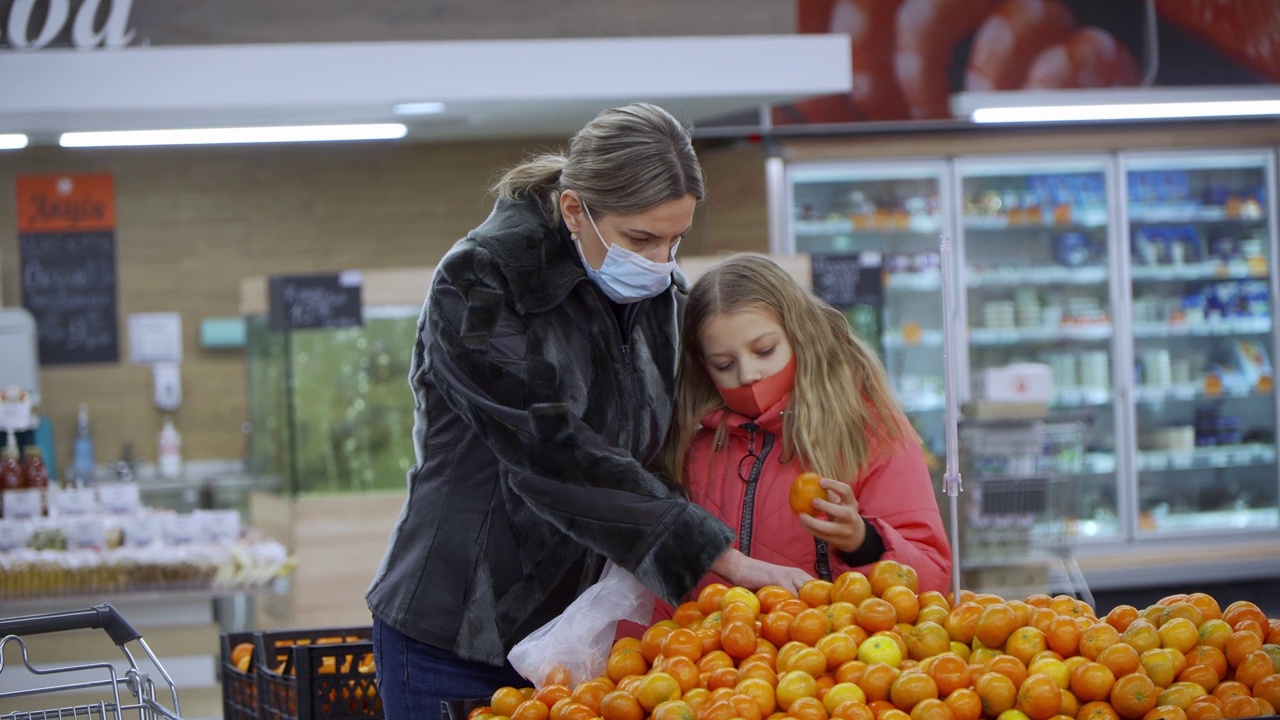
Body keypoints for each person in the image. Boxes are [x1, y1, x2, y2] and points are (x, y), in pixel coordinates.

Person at [364, 103, 812, 718]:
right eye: (641, 239)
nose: (660, 261)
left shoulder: (654, 294)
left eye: (676, 240)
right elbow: (549, 450)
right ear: (575, 210)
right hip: (457, 630)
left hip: (585, 639)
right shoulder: (480, 283)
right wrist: (716, 553)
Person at [656, 253, 952, 598]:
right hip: (711, 650)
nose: (748, 374)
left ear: (800, 335)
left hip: (835, 648)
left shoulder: (871, 433)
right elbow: (665, 592)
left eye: (765, 350)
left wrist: (862, 541)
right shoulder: (690, 450)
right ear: (702, 367)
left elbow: (930, 578)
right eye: (724, 364)